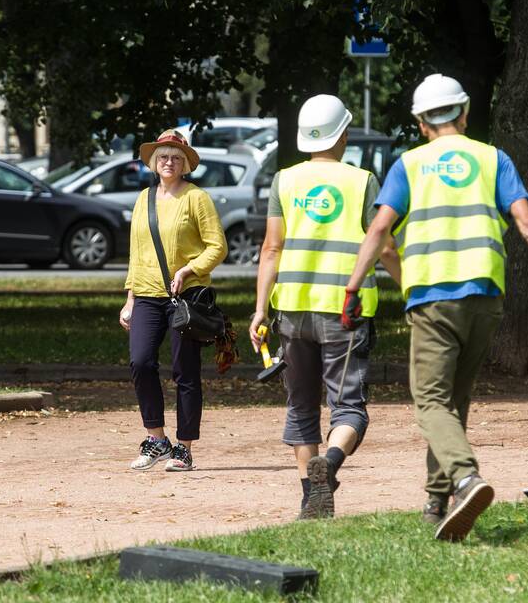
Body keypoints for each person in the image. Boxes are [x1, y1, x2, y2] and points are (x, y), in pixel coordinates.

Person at [343, 74, 528, 541]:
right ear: (464, 113)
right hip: (485, 297)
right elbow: (527, 222)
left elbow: (378, 231)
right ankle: (437, 500)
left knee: (430, 399)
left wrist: (353, 288)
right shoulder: (493, 158)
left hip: (433, 298)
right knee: (452, 400)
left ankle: (466, 478)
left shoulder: (409, 165)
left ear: (420, 122)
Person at [248, 94, 401, 519]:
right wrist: (411, 287)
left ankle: (310, 499)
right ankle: (328, 466)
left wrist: (260, 309)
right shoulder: (362, 181)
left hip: (293, 311)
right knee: (348, 407)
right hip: (344, 311)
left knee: (300, 406)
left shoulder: (285, 180)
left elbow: (271, 249)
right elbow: (384, 245)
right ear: (344, 134)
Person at [120, 129, 228, 472]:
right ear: (154, 163)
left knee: (186, 371)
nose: (169, 162)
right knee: (140, 362)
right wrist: (130, 298)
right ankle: (156, 439)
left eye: (176, 157)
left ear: (185, 164)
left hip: (187, 297)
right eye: (163, 157)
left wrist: (189, 269)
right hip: (147, 295)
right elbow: (137, 253)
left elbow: (217, 246)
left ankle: (184, 447)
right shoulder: (143, 199)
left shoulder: (197, 198)